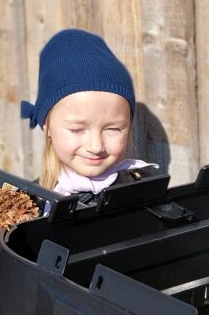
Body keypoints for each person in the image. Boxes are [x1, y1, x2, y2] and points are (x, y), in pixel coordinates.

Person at [21, 28, 156, 197]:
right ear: (47, 126)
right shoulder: (29, 204)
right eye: (77, 129)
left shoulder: (143, 195)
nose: (96, 146)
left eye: (113, 129)